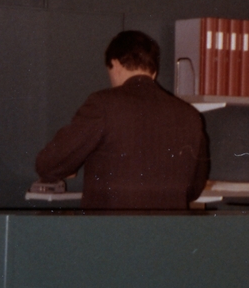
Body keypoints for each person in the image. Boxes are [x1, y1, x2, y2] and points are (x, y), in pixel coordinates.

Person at [34, 30, 209, 210]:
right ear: (154, 71)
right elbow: (194, 189)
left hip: (111, 227)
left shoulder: (103, 104)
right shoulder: (190, 115)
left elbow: (48, 164)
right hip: (169, 227)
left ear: (115, 64)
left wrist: (69, 167)